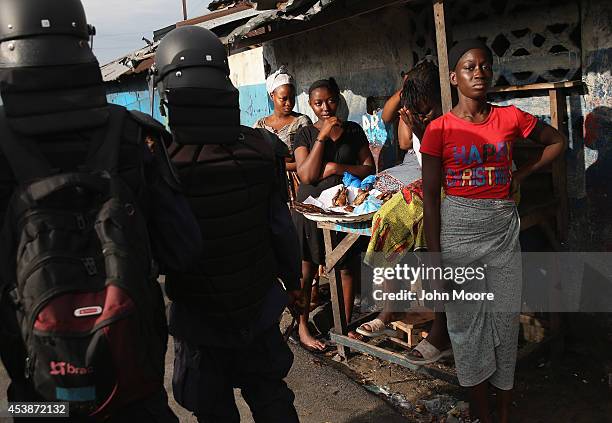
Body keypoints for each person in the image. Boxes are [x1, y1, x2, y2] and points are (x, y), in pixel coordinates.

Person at [0, 0, 201, 421]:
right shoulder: (133, 133)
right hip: (134, 378)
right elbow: (184, 249)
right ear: (83, 40)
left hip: (38, 391)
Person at [152, 26, 303, 423]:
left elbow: (158, 250)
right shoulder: (262, 147)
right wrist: (294, 283)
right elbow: (281, 228)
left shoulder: (162, 162)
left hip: (200, 318)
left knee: (213, 410)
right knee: (271, 396)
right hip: (257, 307)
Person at [420, 39, 566, 423]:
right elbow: (431, 200)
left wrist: (522, 172)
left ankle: (502, 412)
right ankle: (482, 414)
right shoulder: (439, 129)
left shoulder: (511, 118)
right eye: (469, 67)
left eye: (485, 66)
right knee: (467, 330)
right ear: (454, 77)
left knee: (504, 321)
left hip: (502, 232)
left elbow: (556, 142)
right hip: (458, 233)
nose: (479, 73)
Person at [292, 77, 375, 350]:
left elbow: (368, 167)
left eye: (330, 100)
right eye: (318, 103)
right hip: (311, 210)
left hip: (343, 209)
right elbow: (306, 175)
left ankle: (344, 325)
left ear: (338, 100)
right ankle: (303, 328)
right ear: (311, 105)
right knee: (306, 272)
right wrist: (322, 137)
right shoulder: (305, 134)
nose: (325, 107)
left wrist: (335, 168)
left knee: (346, 267)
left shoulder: (352, 131)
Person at [254, 66, 312, 203]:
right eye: (283, 98)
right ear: (272, 96)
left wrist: (274, 164)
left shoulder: (302, 122)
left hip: (297, 185)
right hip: (269, 184)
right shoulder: (260, 125)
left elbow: (308, 161)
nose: (289, 103)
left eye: (292, 97)